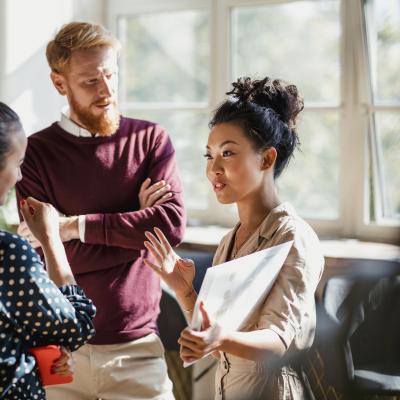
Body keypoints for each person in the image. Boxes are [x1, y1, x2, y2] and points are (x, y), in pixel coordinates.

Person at [16, 22, 185, 399]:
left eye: (111, 75)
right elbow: (45, 257)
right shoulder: (33, 155)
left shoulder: (150, 140)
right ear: (60, 83)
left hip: (138, 351)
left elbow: (169, 227)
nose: (107, 91)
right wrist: (135, 234)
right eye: (91, 81)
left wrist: (71, 227)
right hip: (61, 356)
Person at [144, 77, 325, 399]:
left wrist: (220, 338)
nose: (213, 169)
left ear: (267, 159)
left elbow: (277, 342)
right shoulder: (230, 240)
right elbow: (216, 344)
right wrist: (184, 289)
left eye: (227, 153)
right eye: (208, 155)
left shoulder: (293, 237)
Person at [0, 102, 96, 400]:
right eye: (17, 164)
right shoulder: (9, 254)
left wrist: (30, 349)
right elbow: (76, 326)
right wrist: (52, 238)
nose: (18, 178)